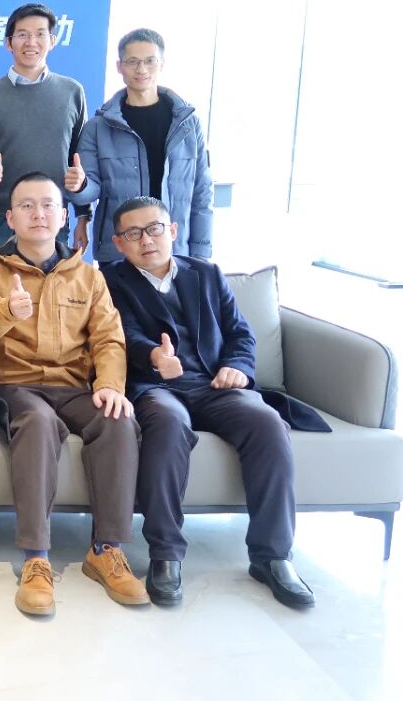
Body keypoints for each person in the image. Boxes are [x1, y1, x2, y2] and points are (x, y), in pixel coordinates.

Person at [102, 196, 313, 608]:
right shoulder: (109, 281)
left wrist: (236, 367)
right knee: (167, 425)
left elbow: (240, 333)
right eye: (134, 233)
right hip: (154, 386)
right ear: (119, 243)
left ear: (172, 231)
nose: (146, 240)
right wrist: (153, 356)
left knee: (267, 423)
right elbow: (118, 333)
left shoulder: (207, 274)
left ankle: (273, 557)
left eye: (154, 229)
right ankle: (166, 554)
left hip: (214, 384)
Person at [0, 172, 147, 616]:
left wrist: (110, 385)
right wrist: (8, 309)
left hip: (71, 386)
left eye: (48, 205)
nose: (39, 214)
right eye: (27, 206)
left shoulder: (88, 277)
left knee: (118, 418)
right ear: (10, 218)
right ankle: (37, 557)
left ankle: (106, 549)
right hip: (12, 385)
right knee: (38, 421)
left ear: (64, 216)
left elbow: (109, 338)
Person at [66, 28, 213, 262]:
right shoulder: (98, 126)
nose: (141, 69)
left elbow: (202, 192)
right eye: (132, 62)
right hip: (119, 252)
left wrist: (201, 254)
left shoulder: (188, 124)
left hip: (175, 252)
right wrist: (80, 185)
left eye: (150, 61)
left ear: (162, 64)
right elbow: (90, 191)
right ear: (119, 66)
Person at [0, 3, 90, 258]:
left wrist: (83, 215)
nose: (31, 42)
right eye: (22, 34)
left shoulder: (72, 92)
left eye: (40, 34)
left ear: (52, 41)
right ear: (9, 43)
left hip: (52, 217)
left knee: (52, 285)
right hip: (0, 216)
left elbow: (80, 156)